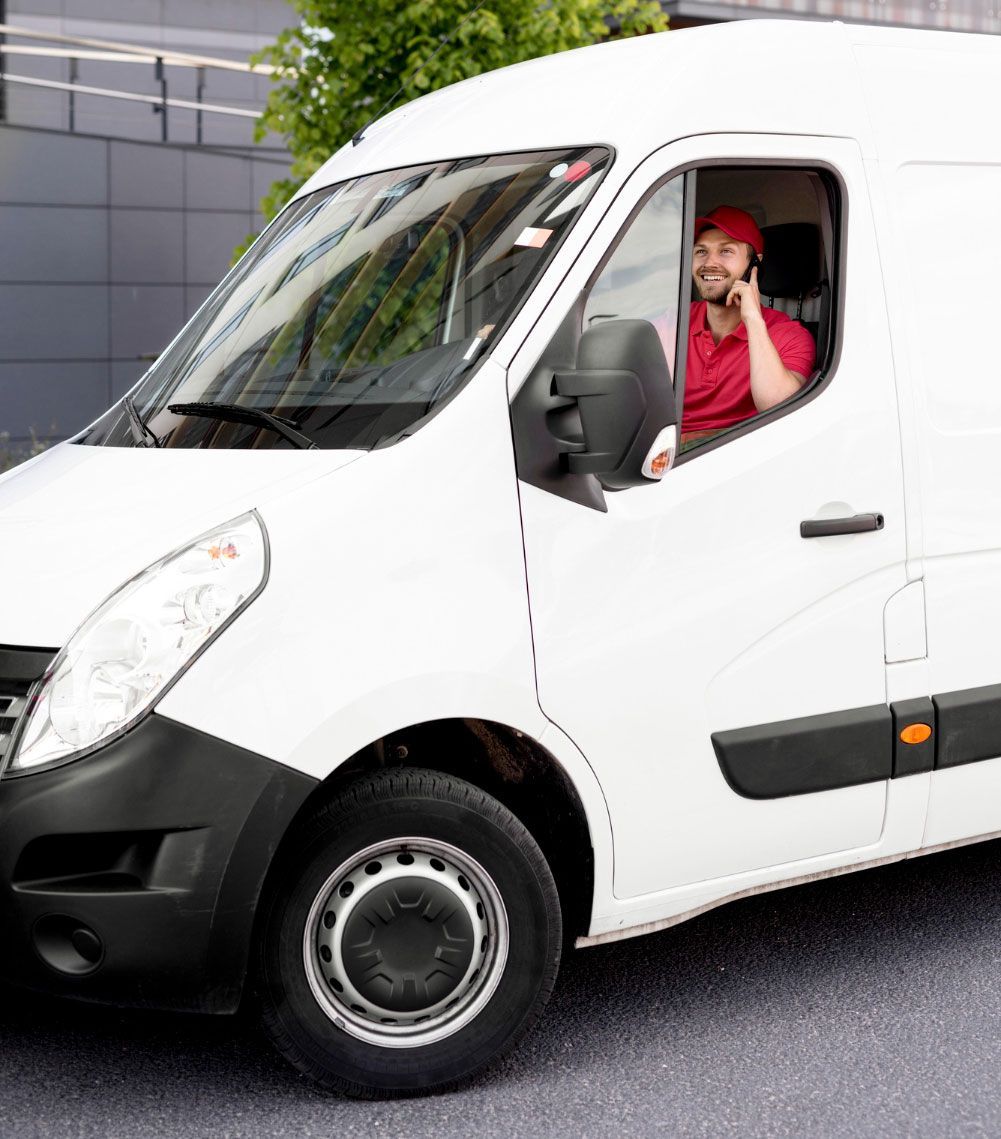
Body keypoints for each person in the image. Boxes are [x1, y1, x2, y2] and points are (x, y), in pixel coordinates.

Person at [682, 205, 815, 445]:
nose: (709, 263)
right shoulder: (672, 325)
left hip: (739, 460)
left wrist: (753, 321)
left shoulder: (790, 336)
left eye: (726, 252)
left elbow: (781, 414)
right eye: (701, 252)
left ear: (755, 264)